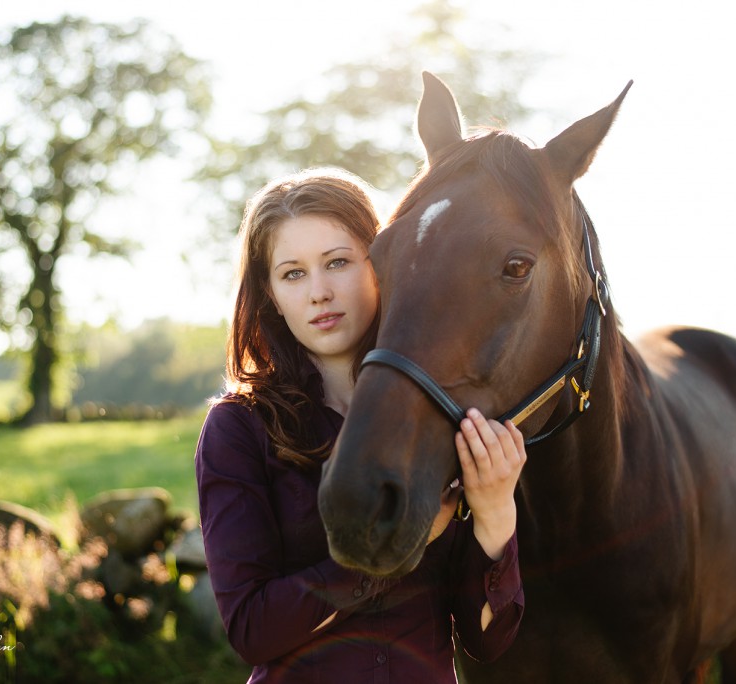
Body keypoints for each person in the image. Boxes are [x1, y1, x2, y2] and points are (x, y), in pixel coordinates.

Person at [194, 168, 527, 683]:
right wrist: (384, 555)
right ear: (272, 296)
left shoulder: (444, 415)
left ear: (382, 264)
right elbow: (251, 630)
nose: (319, 292)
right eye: (293, 274)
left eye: (338, 262)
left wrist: (495, 514)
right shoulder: (239, 428)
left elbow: (485, 641)